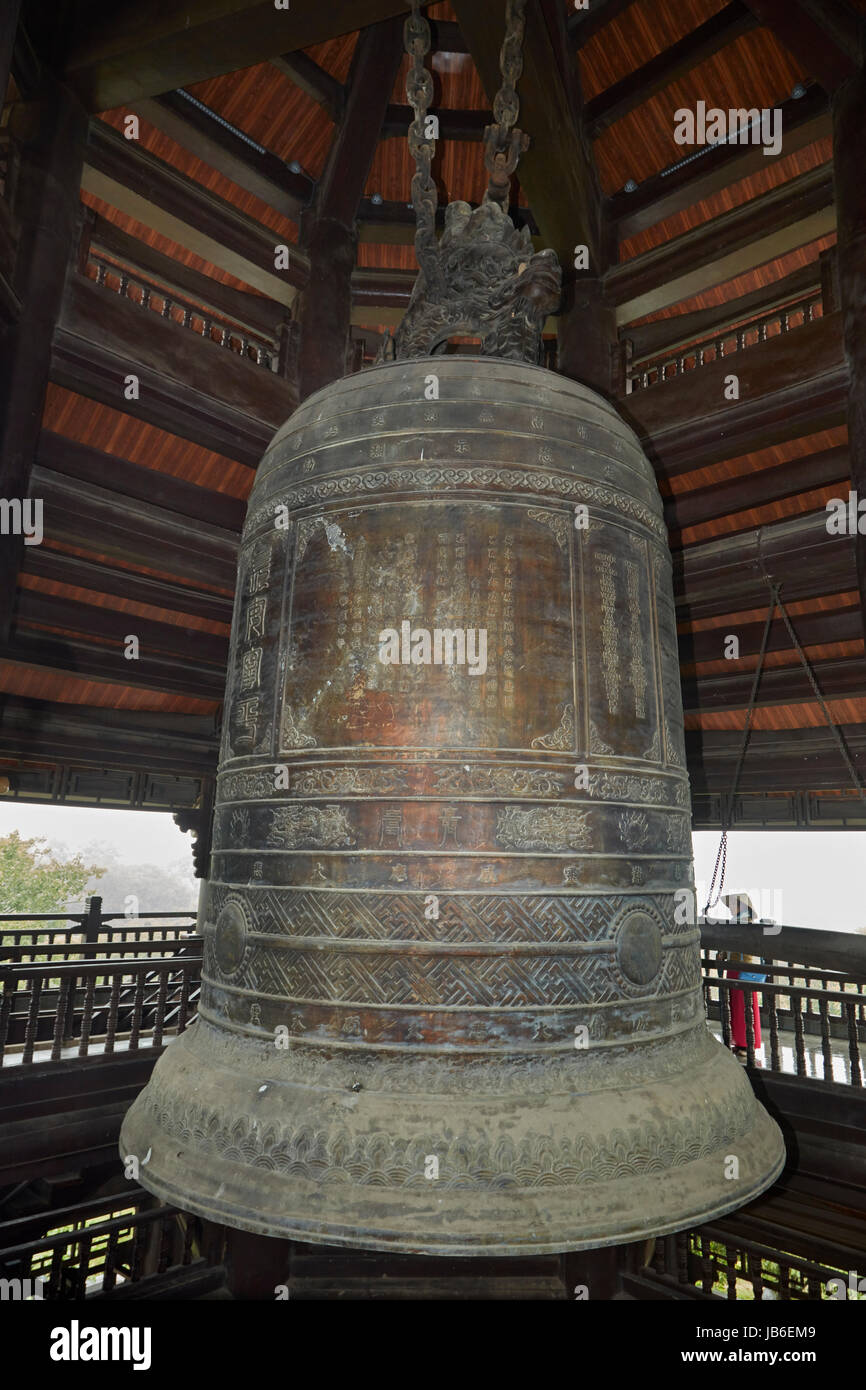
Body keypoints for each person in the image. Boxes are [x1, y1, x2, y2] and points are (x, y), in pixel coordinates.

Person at [718, 893, 768, 1064]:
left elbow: (739, 945)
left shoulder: (745, 923)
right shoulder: (737, 921)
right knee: (737, 1006)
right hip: (735, 968)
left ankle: (747, 1044)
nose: (731, 906)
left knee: (744, 1007)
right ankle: (740, 1043)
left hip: (743, 970)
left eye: (733, 903)